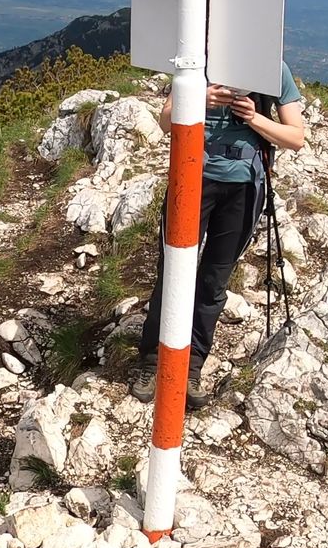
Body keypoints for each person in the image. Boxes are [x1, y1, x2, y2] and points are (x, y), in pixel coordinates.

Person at [130, 63, 306, 406]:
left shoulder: (271, 65)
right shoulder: (197, 59)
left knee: (214, 280)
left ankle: (191, 368)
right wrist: (197, 99)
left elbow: (296, 137)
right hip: (192, 176)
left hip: (243, 187)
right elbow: (166, 123)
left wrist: (253, 118)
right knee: (172, 273)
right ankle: (152, 362)